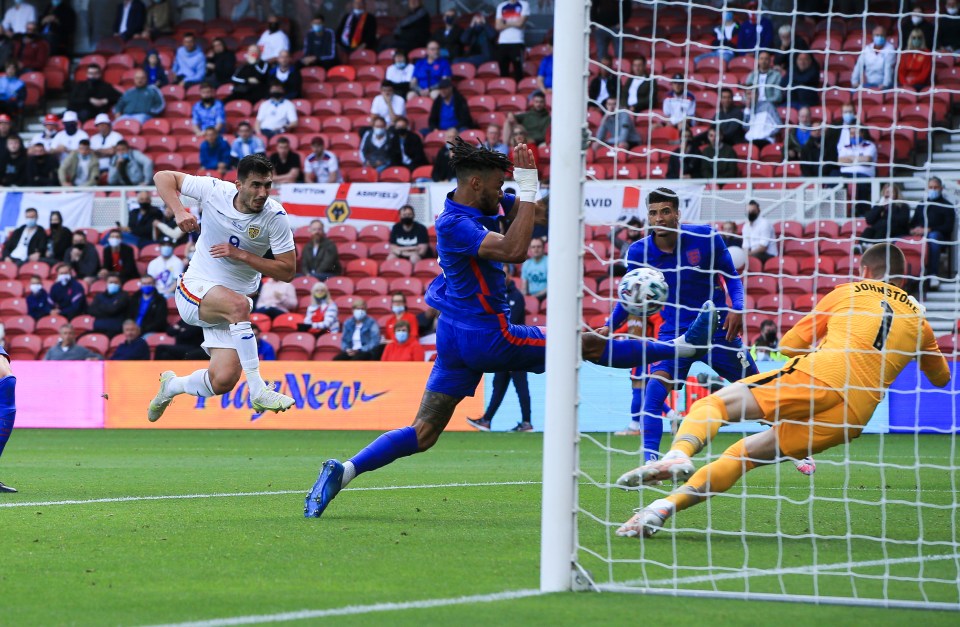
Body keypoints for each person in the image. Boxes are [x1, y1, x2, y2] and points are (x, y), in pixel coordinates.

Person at [304, 140, 718, 519]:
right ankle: (683, 348)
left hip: (453, 337)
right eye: (497, 184)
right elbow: (516, 249)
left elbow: (533, 212)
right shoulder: (453, 223)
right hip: (488, 335)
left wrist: (539, 185)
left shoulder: (482, 203)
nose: (502, 191)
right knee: (587, 344)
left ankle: (344, 470)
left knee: (424, 432)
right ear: (476, 183)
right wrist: (527, 189)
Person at [615, 244, 951, 538]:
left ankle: (678, 454)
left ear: (864, 270)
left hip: (820, 375)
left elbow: (790, 345)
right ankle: (660, 509)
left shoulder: (849, 291)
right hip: (853, 416)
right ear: (903, 281)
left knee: (714, 405)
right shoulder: (919, 321)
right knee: (742, 457)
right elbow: (941, 378)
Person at [609, 187, 755, 461]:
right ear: (648, 216)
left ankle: (796, 449)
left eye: (666, 211)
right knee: (654, 393)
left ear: (677, 213)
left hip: (717, 330)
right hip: (675, 333)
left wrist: (738, 307)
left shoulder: (706, 238)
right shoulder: (639, 252)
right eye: (654, 212)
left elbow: (731, 277)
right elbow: (628, 298)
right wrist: (608, 326)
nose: (660, 218)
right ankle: (650, 463)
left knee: (758, 390)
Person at [147, 154, 296, 421]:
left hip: (230, 309)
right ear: (238, 184)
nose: (263, 193)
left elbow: (287, 271)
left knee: (223, 380)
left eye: (267, 185)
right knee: (239, 305)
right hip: (196, 289)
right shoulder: (215, 190)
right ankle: (258, 389)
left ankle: (172, 386)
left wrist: (242, 255)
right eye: (256, 185)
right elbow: (163, 177)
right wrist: (179, 211)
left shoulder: (275, 217)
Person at [466, 268, 530, 431]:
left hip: (516, 349)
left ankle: (527, 422)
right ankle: (487, 420)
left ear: (510, 275)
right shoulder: (496, 295)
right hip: (503, 349)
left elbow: (511, 323)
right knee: (499, 384)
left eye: (505, 273)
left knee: (520, 384)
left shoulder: (516, 296)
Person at [908, 176, 956, 290]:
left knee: (932, 237)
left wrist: (929, 229)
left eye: (935, 187)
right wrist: (913, 230)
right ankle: (910, 275)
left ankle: (933, 275)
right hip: (919, 237)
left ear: (941, 188)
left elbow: (948, 227)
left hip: (938, 237)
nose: (933, 190)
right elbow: (912, 223)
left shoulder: (947, 205)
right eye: (930, 187)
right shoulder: (921, 205)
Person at [838, 126, 878, 216]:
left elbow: (867, 159)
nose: (853, 136)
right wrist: (859, 159)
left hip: (863, 174)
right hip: (846, 174)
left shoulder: (870, 145)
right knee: (834, 177)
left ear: (862, 133)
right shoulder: (845, 147)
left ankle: (862, 213)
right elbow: (840, 161)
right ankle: (839, 212)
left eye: (856, 133)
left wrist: (850, 158)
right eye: (851, 134)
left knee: (862, 184)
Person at [861, 182, 911, 248]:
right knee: (868, 230)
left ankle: (874, 248)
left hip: (895, 230)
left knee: (882, 230)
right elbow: (869, 220)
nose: (887, 193)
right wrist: (880, 207)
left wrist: (890, 206)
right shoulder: (879, 205)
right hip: (879, 230)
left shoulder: (902, 206)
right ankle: (860, 246)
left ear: (896, 194)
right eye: (886, 191)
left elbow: (903, 221)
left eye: (890, 192)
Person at [851, 24, 895, 90]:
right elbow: (858, 66)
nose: (879, 37)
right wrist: (854, 82)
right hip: (869, 84)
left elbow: (888, 69)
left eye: (882, 35)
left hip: (885, 85)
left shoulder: (890, 49)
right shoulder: (867, 49)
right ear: (873, 36)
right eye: (877, 35)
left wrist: (885, 84)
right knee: (853, 91)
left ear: (885, 37)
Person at [495, 0, 529, 81]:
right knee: (503, 71)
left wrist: (505, 22)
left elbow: (520, 24)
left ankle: (519, 88)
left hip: (517, 42)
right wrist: (514, 22)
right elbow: (498, 26)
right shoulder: (501, 6)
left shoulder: (524, 4)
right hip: (502, 42)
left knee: (518, 70)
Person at [88, 272, 130, 336]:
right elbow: (91, 311)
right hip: (97, 328)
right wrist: (110, 306)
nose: (113, 284)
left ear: (120, 284)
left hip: (114, 330)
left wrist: (100, 307)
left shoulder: (124, 296)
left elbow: (113, 310)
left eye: (116, 282)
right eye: (111, 282)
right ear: (106, 283)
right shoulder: (99, 296)